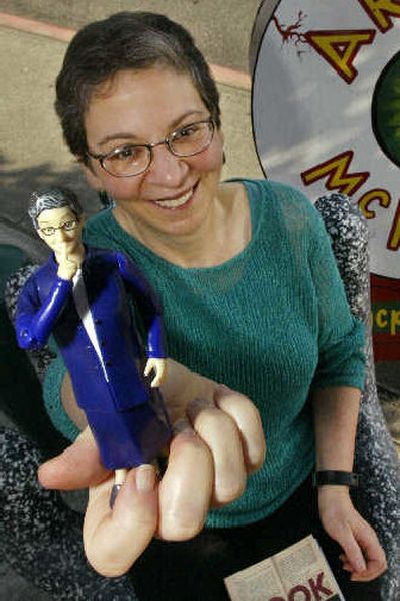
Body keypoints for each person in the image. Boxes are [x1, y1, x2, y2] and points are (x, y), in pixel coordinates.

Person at [34, 11, 388, 600]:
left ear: (218, 125)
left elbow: (340, 355)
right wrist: (122, 391)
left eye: (186, 131)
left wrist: (335, 487)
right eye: (125, 152)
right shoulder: (86, 269)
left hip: (306, 499)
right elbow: (67, 385)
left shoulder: (292, 222)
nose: (170, 172)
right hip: (176, 526)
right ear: (88, 166)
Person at [15, 187, 171, 506]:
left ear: (80, 219)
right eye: (48, 229)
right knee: (111, 435)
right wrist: (61, 283)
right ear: (38, 232)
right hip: (91, 387)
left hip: (133, 372)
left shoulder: (112, 262)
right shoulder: (37, 286)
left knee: (150, 427)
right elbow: (31, 337)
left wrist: (156, 350)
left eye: (67, 224)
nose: (60, 236)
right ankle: (122, 476)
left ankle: (159, 464)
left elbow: (151, 305)